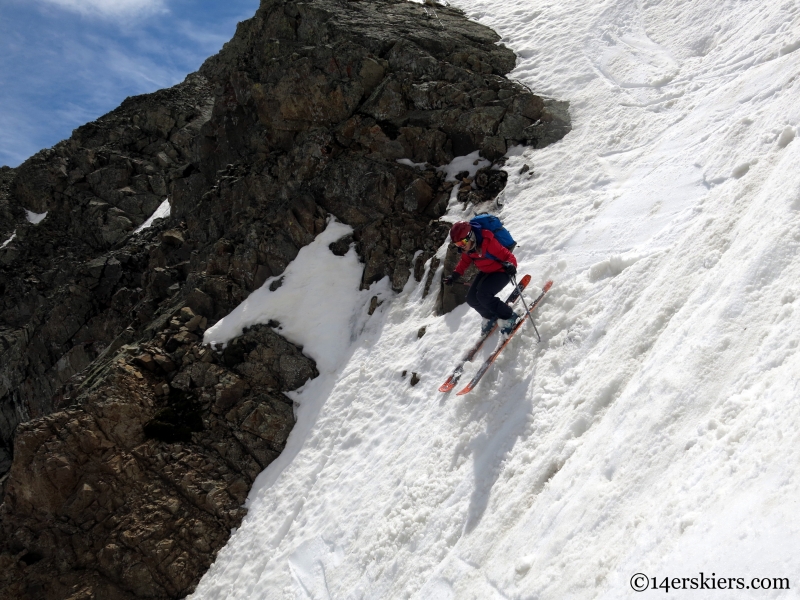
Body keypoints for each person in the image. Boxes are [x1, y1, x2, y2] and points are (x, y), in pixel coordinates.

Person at [443, 220, 521, 336]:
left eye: (463, 242)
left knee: (483, 296)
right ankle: (490, 317)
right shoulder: (469, 248)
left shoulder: (487, 242)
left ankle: (509, 316)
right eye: (458, 244)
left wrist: (512, 265)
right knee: (471, 299)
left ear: (470, 236)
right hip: (487, 272)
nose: (462, 246)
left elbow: (507, 255)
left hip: (502, 271)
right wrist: (454, 276)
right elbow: (464, 262)